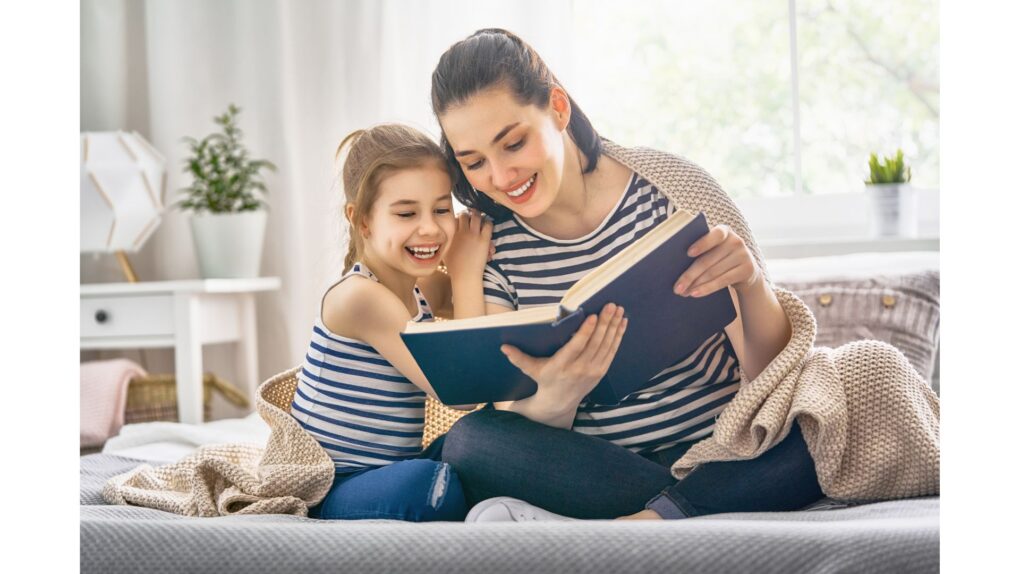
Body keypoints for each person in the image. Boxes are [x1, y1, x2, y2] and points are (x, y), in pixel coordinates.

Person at [429, 29, 826, 520]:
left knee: (844, 393)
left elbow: (774, 375)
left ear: (557, 107)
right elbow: (514, 420)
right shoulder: (494, 249)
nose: (502, 176)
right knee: (470, 443)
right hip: (603, 472)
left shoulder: (670, 190)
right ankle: (683, 509)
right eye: (475, 163)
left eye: (513, 143)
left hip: (726, 449)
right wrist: (558, 397)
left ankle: (654, 519)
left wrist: (749, 286)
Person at [290, 124, 491, 521]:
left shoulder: (418, 287)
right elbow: (463, 390)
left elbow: (480, 307)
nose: (430, 228)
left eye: (440, 209)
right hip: (340, 485)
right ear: (362, 220)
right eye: (406, 213)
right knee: (428, 483)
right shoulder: (359, 298)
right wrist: (467, 271)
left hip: (394, 467)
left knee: (490, 438)